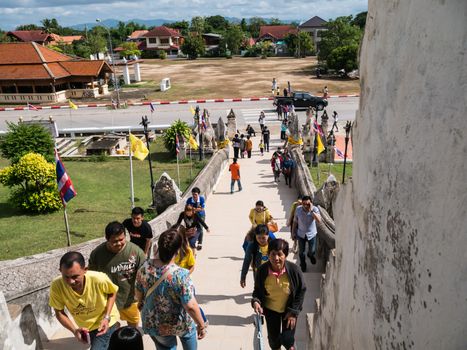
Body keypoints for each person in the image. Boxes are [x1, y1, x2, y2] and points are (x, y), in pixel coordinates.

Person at [135, 228, 207, 349]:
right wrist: (201, 325)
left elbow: (138, 291)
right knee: (189, 336)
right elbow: (190, 306)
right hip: (181, 323)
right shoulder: (181, 275)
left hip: (156, 322)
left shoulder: (144, 268)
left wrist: (140, 302)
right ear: (178, 250)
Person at [49, 251, 119, 350]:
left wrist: (107, 317)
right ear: (60, 270)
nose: (70, 282)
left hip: (106, 322)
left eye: (75, 277)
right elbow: (59, 312)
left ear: (85, 270)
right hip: (85, 328)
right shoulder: (56, 286)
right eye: (66, 277)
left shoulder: (99, 279)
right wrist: (74, 330)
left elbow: (112, 292)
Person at [89, 221, 146, 328]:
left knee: (133, 326)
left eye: (121, 239)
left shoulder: (136, 252)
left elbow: (145, 276)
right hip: (108, 300)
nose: (119, 243)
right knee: (111, 327)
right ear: (106, 238)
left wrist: (143, 297)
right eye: (115, 241)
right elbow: (92, 277)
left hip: (130, 299)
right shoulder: (97, 254)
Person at [251, 239, 306, 350]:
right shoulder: (262, 271)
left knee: (288, 340)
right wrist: (256, 301)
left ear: (285, 255)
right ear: (268, 254)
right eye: (273, 254)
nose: (276, 258)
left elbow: (301, 290)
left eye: (280, 254)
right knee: (274, 341)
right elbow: (257, 291)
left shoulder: (294, 270)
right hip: (271, 310)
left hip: (288, 310)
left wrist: (293, 312)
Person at [292, 195, 321, 272]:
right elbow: (295, 221)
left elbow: (319, 220)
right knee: (301, 252)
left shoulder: (315, 209)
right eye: (303, 204)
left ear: (311, 203)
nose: (305, 206)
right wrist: (293, 232)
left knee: (312, 251)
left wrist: (311, 211)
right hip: (301, 234)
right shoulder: (298, 209)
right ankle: (303, 264)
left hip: (312, 234)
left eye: (307, 204)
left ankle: (310, 255)